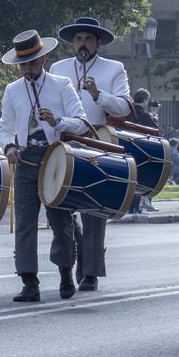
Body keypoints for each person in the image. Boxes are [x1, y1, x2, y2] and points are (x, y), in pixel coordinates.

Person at [0, 30, 89, 303]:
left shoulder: (61, 85)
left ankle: (65, 272)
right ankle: (29, 282)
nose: (28, 69)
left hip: (55, 158)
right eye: (23, 65)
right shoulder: (12, 90)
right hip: (26, 159)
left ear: (44, 59)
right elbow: (4, 129)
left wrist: (57, 121)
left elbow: (82, 123)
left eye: (33, 63)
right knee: (25, 222)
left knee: (60, 220)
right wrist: (9, 147)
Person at [50, 17, 131, 292]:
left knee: (94, 208)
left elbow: (124, 108)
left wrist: (99, 95)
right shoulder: (58, 68)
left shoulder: (114, 69)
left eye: (87, 38)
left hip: (97, 141)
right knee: (60, 204)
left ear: (97, 43)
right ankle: (75, 252)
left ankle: (91, 272)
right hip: (64, 140)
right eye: (77, 39)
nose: (81, 43)